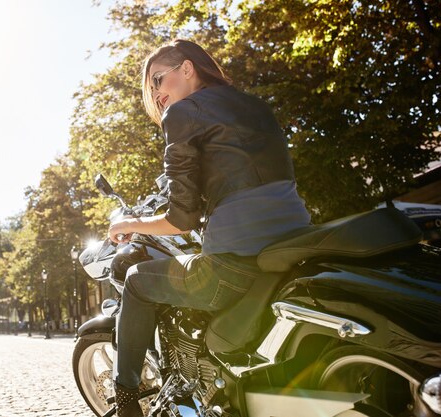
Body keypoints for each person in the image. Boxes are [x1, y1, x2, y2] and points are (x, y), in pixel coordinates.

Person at [107, 39, 311, 416]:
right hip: (297, 242)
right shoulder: (256, 106)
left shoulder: (184, 112)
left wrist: (130, 223)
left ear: (187, 69)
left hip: (237, 262)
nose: (156, 93)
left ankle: (125, 400)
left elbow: (181, 219)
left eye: (158, 80)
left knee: (137, 280)